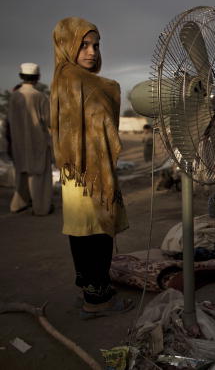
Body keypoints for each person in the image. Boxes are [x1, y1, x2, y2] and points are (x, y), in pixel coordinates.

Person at [51, 17, 133, 318]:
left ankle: (91, 289)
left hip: (75, 174)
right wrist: (110, 90)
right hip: (92, 175)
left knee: (82, 233)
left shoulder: (62, 77)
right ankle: (98, 302)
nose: (91, 52)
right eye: (83, 45)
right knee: (97, 235)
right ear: (66, 45)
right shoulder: (81, 80)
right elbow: (100, 124)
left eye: (95, 45)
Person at [6, 63, 53, 215]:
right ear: (37, 77)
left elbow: (8, 121)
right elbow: (49, 121)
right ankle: (41, 208)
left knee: (21, 173)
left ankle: (18, 204)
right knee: (40, 176)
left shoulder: (14, 96)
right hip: (38, 141)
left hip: (18, 142)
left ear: (21, 76)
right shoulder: (40, 97)